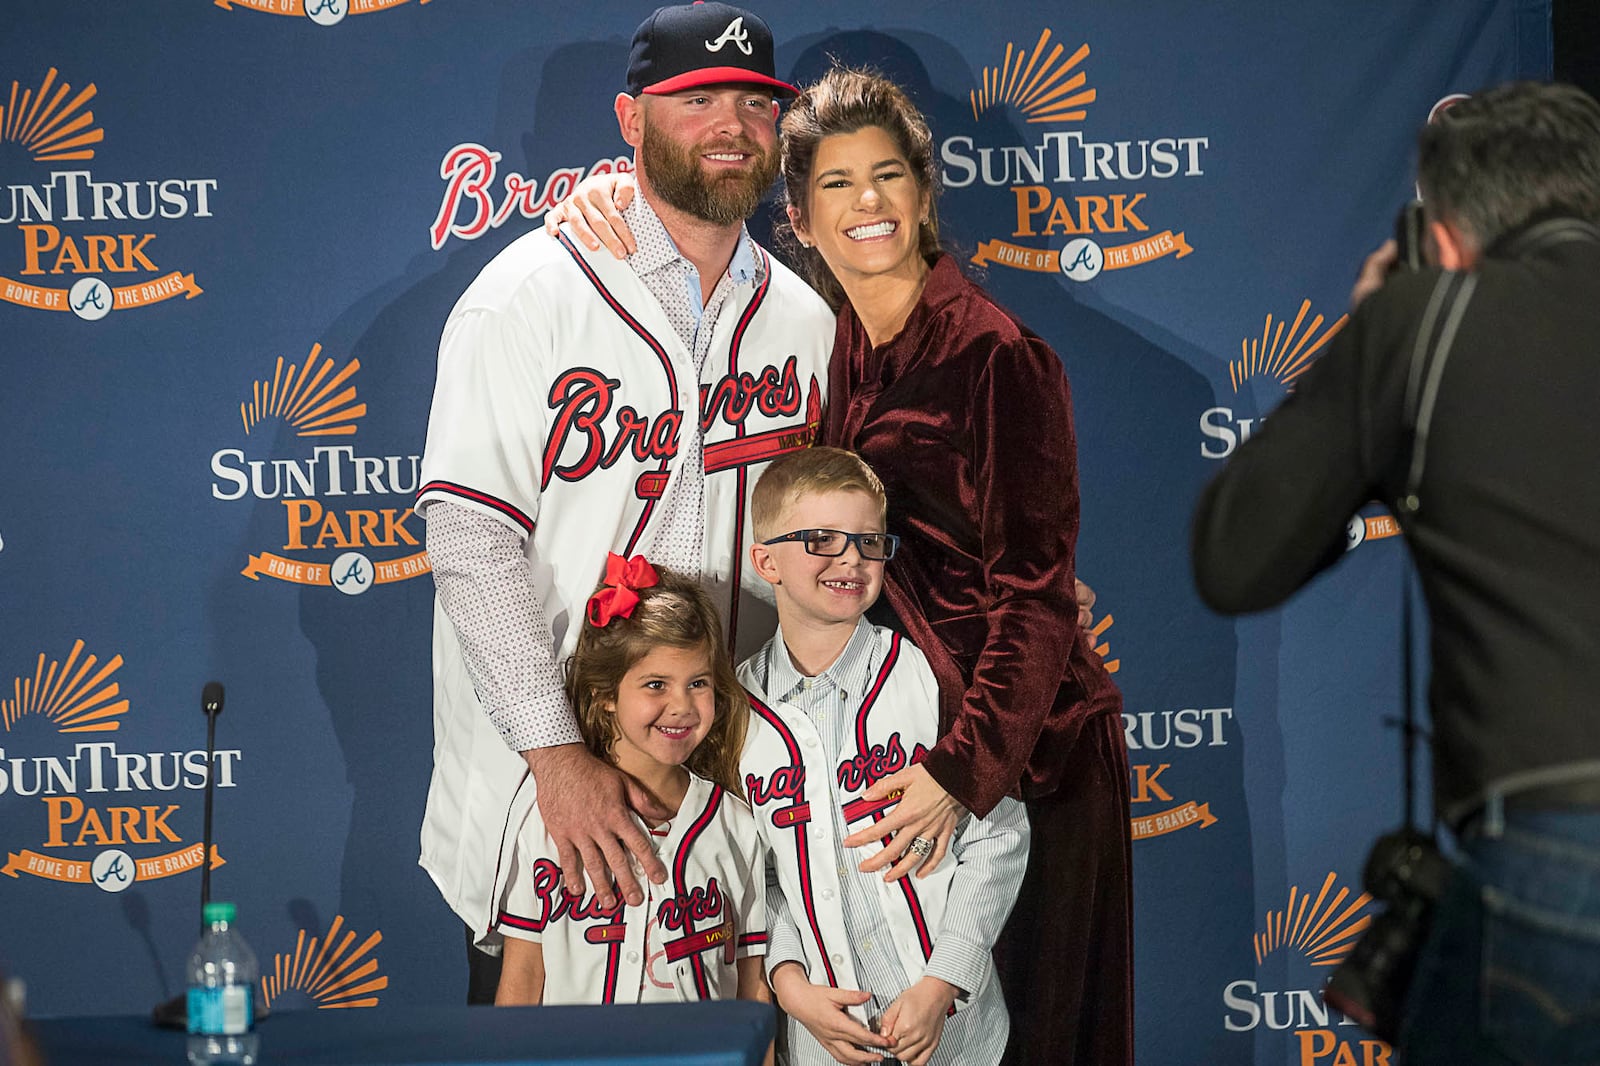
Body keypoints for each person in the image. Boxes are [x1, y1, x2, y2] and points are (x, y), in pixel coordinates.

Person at [549, 65, 1130, 1066]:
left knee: (1028, 1037)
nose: (867, 202)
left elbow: (1036, 600)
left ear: (922, 193)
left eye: (888, 175)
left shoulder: (997, 357)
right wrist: (607, 188)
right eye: (835, 184)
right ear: (801, 218)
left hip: (1019, 759)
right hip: (881, 736)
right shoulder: (830, 350)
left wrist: (961, 773)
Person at [415, 0, 834, 1003]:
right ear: (629, 120)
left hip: (730, 795)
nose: (729, 123)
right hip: (547, 792)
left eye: (751, 100)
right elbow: (469, 542)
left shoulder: (806, 320)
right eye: (694, 98)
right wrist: (556, 753)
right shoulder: (526, 296)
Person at [1191, 81, 1600, 1064]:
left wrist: (1375, 333)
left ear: (1443, 235)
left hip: (1559, 829)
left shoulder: (1420, 323)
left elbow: (1235, 557)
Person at [738, 447, 1029, 1066]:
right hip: (825, 1037)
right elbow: (764, 877)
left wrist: (941, 983)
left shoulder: (925, 671)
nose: (851, 559)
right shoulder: (736, 708)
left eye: (870, 542)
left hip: (953, 1033)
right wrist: (789, 988)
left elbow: (1000, 829)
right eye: (821, 539)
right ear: (766, 560)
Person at [494, 558, 770, 1021]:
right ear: (606, 693)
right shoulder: (546, 821)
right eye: (656, 684)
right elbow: (522, 980)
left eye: (698, 683)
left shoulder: (737, 824)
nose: (681, 706)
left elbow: (751, 986)